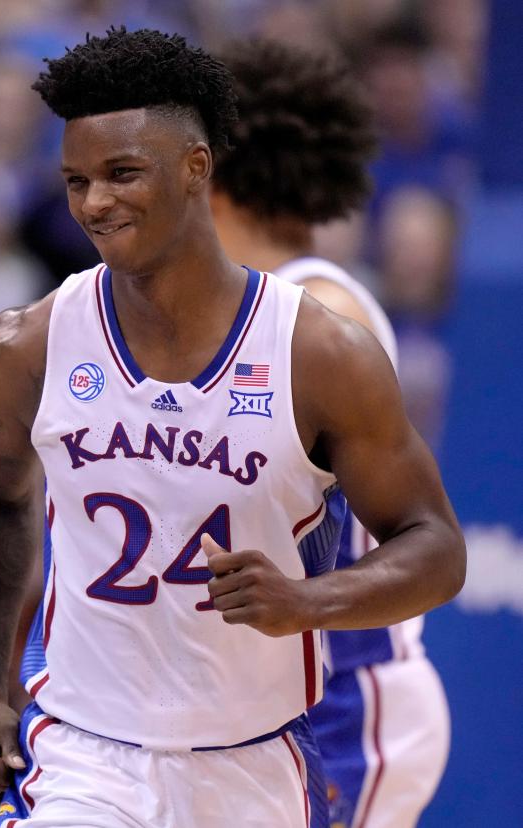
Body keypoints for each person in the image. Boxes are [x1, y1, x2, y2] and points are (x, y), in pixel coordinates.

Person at [0, 28, 465, 828]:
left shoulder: (320, 348)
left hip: (258, 751)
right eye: (75, 180)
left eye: (122, 173)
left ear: (198, 169)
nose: (94, 201)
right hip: (85, 751)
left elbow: (436, 546)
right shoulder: (33, 342)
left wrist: (307, 599)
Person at [210, 40, 451, 828]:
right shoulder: (241, 310)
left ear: (208, 174)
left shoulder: (321, 316)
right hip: (274, 703)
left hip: (350, 697)